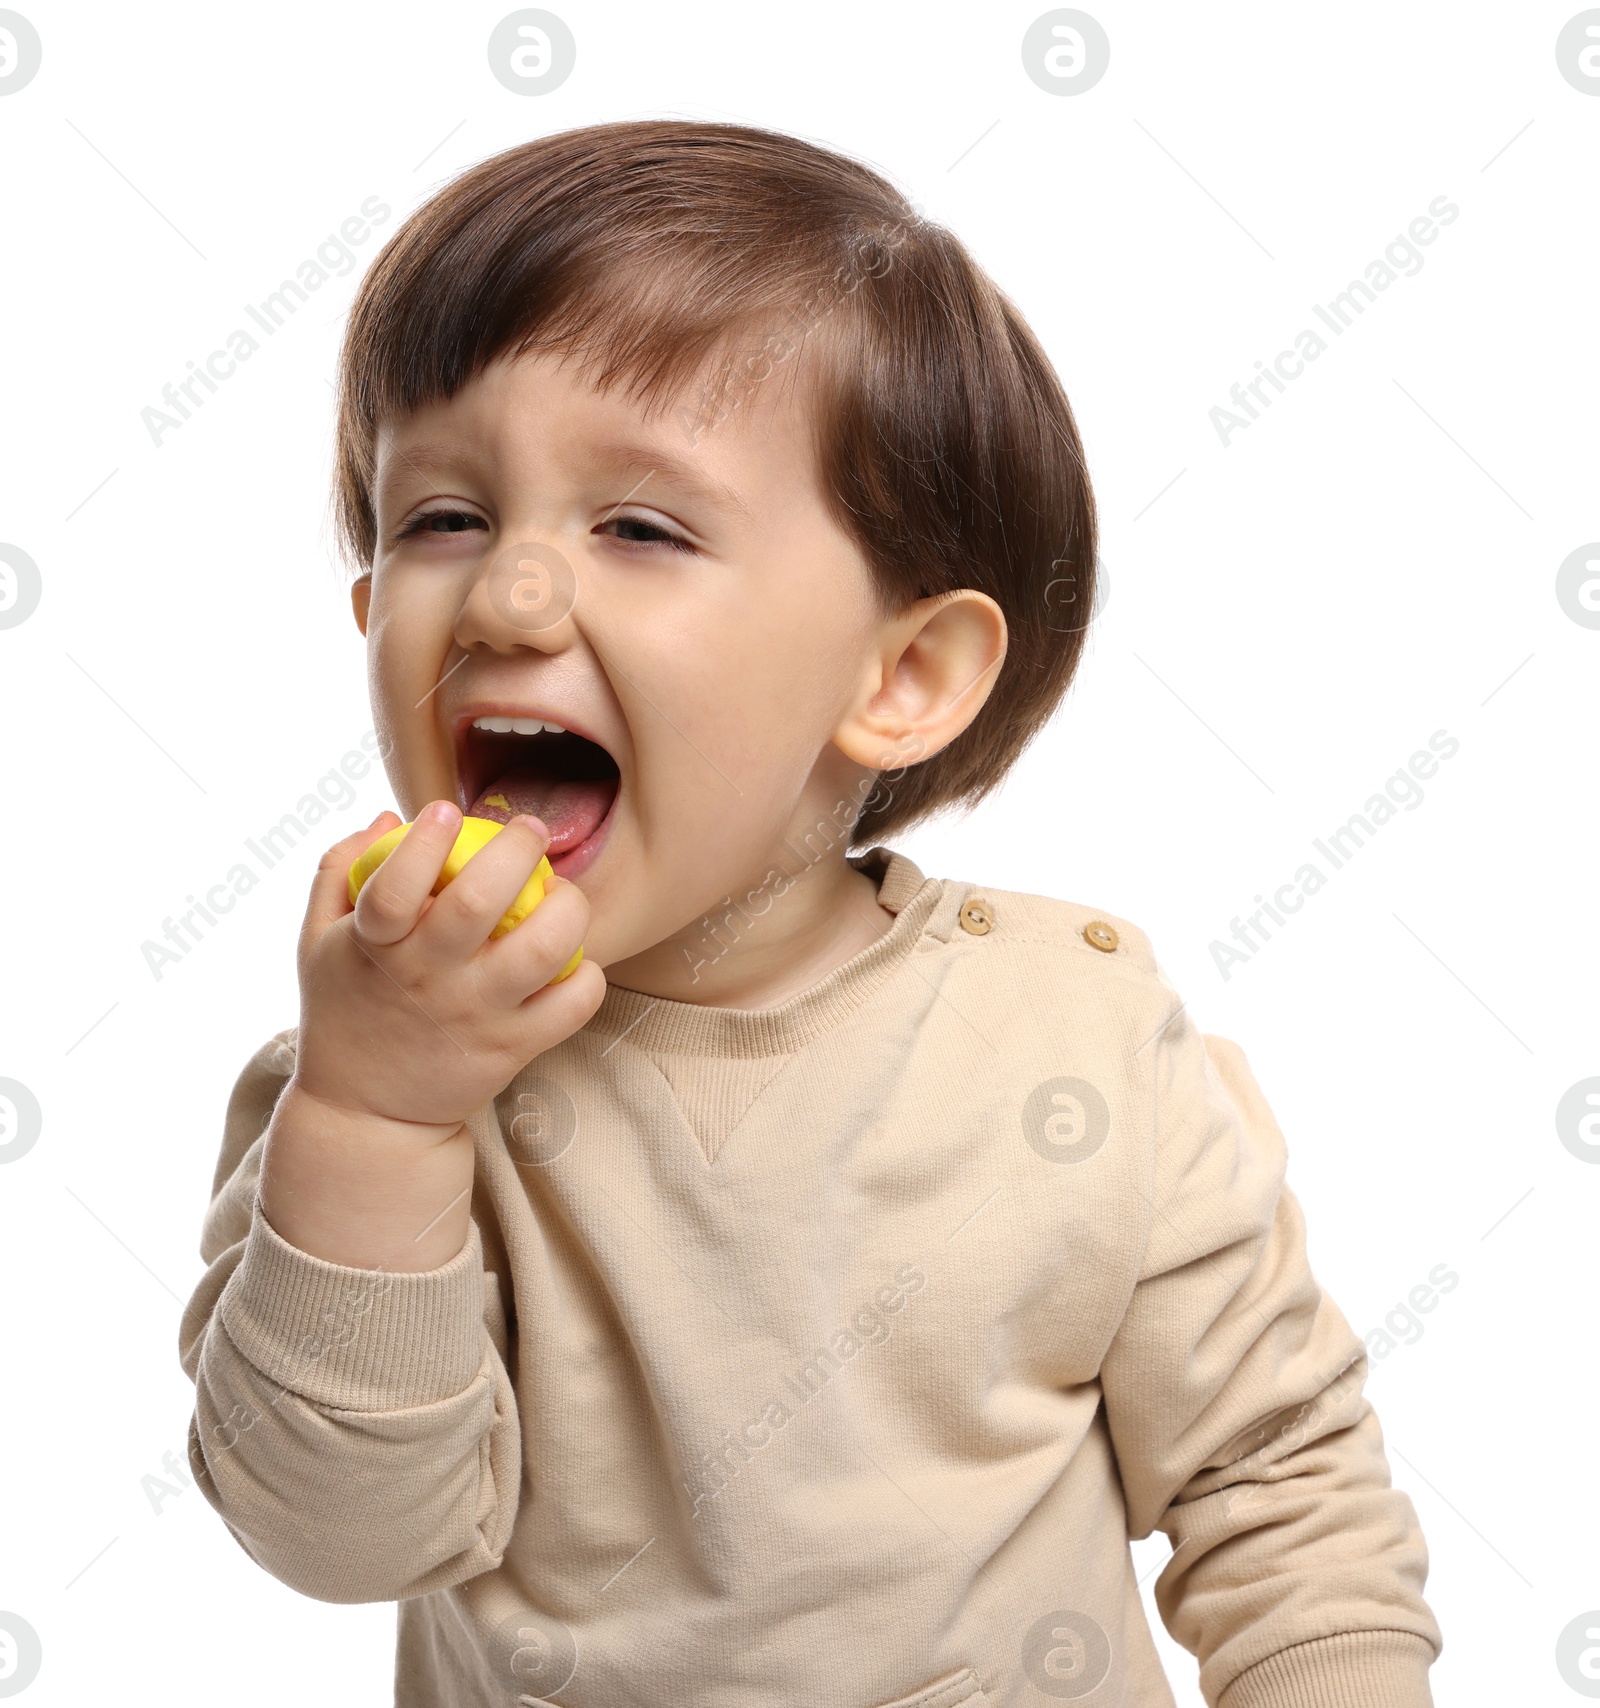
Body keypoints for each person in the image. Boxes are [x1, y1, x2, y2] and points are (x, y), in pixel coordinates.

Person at [180, 119, 1440, 1707]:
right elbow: (336, 1537)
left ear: (900, 678)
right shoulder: (366, 1093)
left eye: (638, 528)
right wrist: (375, 1119)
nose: (505, 597)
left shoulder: (1080, 1040)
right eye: (440, 518)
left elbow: (1279, 1496)